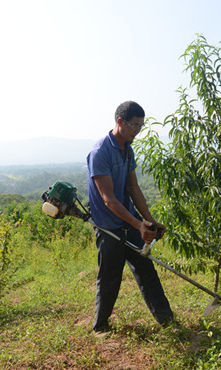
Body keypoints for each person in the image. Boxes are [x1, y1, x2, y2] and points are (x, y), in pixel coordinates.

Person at [86, 101, 174, 332]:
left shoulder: (128, 148)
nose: (137, 131)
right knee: (109, 279)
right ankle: (101, 327)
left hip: (130, 223)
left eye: (140, 127)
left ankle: (168, 321)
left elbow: (134, 189)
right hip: (109, 226)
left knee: (147, 272)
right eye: (134, 126)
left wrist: (149, 221)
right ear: (120, 122)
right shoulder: (100, 152)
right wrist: (138, 223)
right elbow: (109, 199)